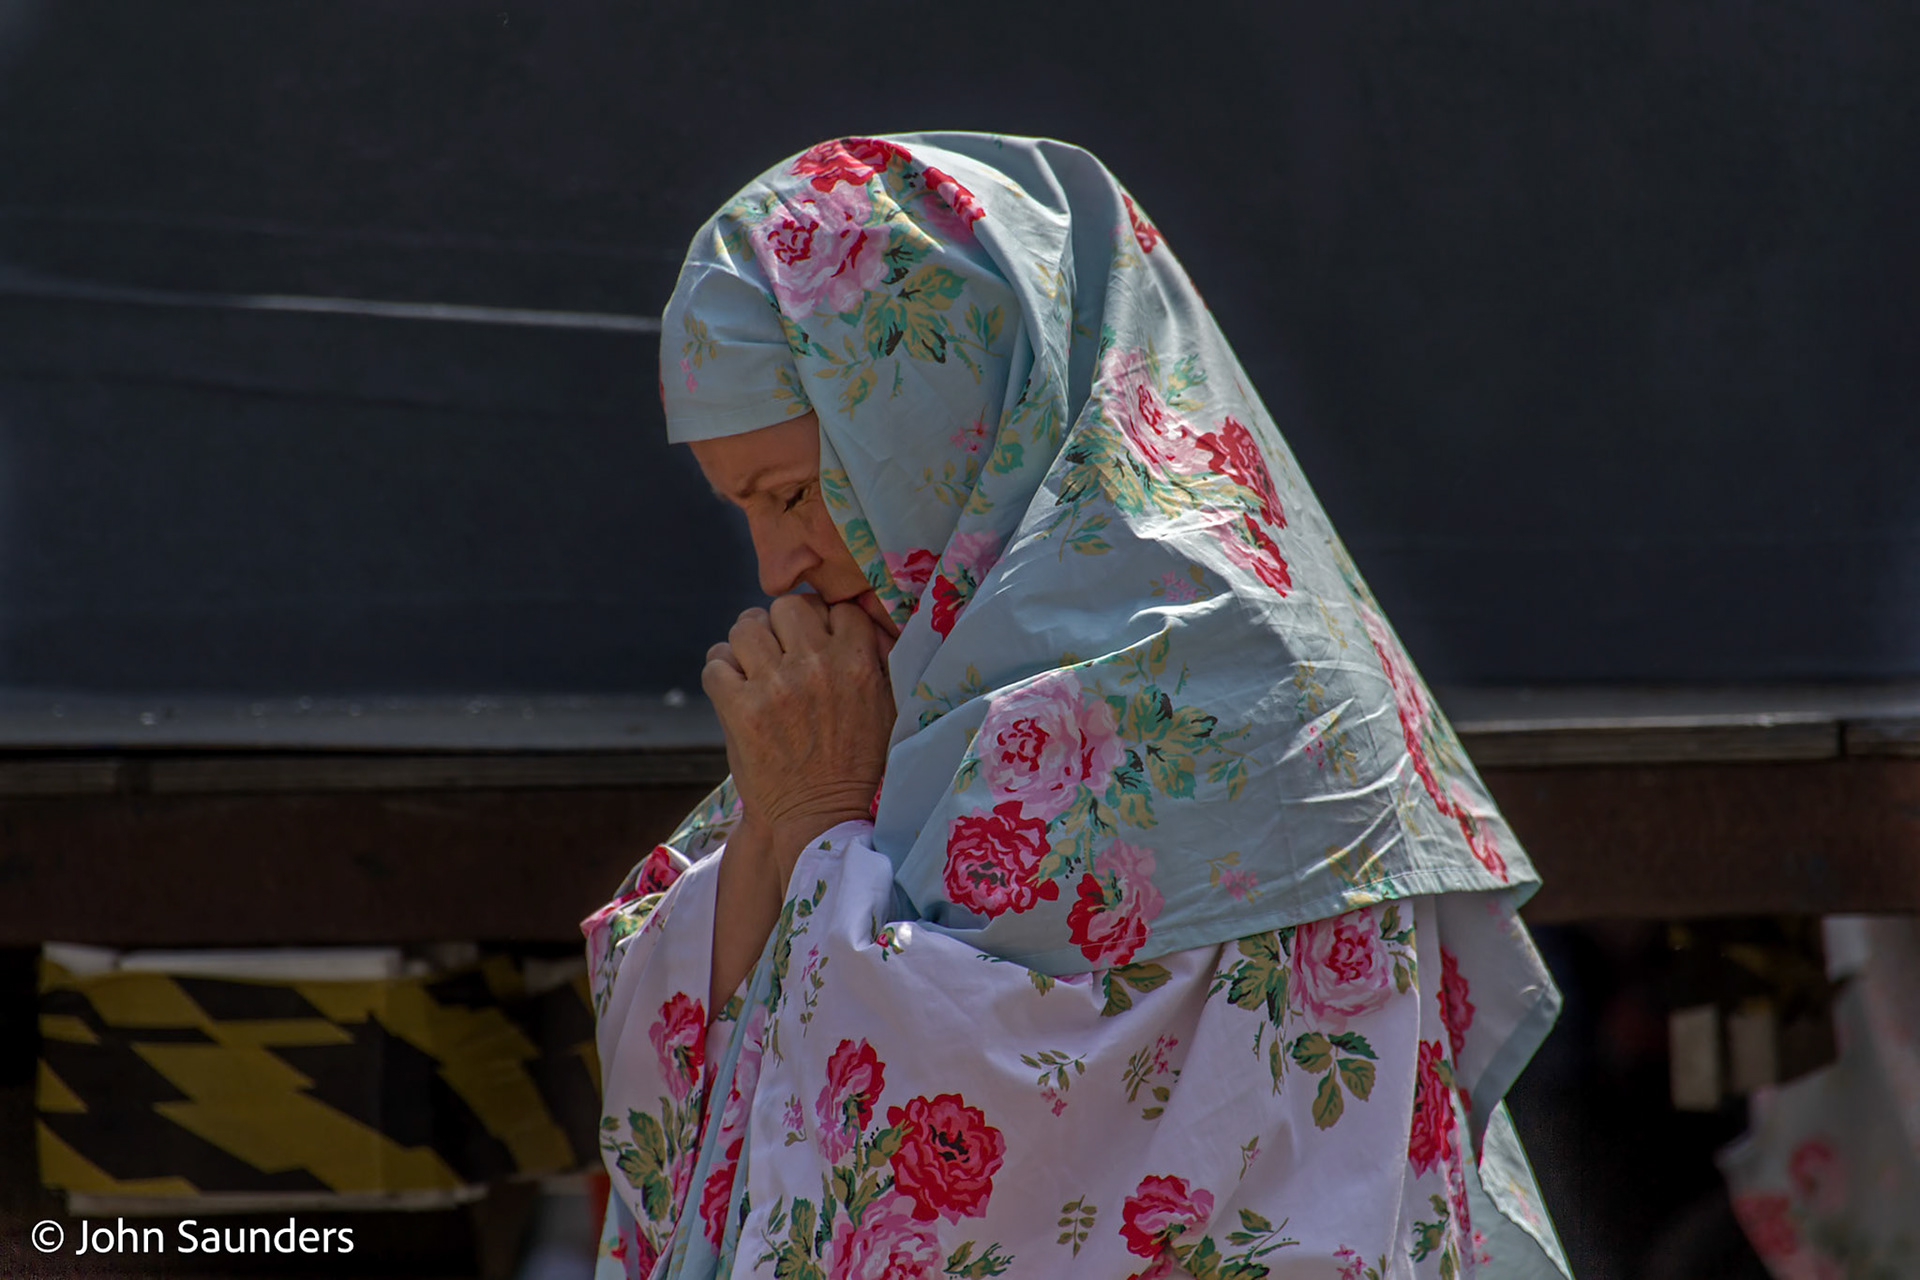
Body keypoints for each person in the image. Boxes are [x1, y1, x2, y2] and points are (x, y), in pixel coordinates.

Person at [584, 133, 1570, 1280]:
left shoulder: (1217, 683)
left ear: (924, 415)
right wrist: (788, 827)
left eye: (797, 491)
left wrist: (809, 821)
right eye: (742, 508)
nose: (775, 566)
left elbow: (1023, 1149)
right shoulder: (923, 675)